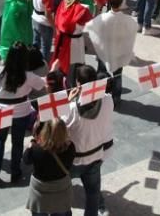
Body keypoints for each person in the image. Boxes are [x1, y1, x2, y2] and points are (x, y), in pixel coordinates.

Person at [0, 42, 45, 185]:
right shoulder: (28, 75)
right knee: (17, 142)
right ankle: (15, 172)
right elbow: (41, 85)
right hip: (21, 111)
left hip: (0, 108)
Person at [63, 64, 114, 216]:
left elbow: (58, 126)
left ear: (78, 83)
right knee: (93, 195)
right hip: (96, 156)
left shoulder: (71, 109)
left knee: (63, 193)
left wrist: (67, 101)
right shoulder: (107, 100)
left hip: (73, 160)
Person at [85, 0, 136, 104]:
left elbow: (90, 27)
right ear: (121, 4)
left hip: (104, 51)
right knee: (118, 75)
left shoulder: (102, 18)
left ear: (108, 3)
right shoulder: (127, 20)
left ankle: (98, 95)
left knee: (101, 73)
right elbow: (132, 31)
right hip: (119, 52)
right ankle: (116, 99)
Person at [23, 119, 76, 216]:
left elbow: (26, 160)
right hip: (62, 190)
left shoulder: (36, 149)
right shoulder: (70, 147)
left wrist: (32, 142)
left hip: (40, 192)